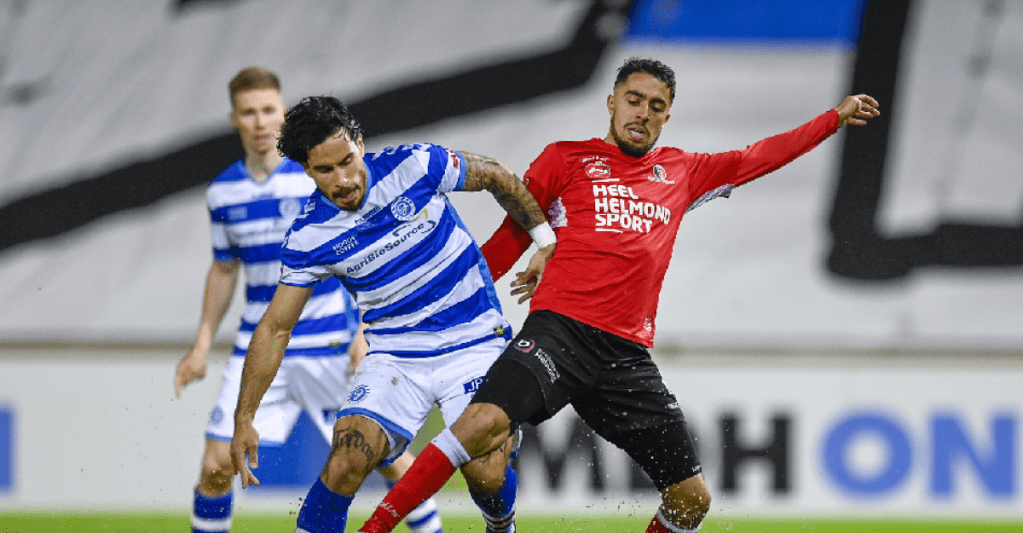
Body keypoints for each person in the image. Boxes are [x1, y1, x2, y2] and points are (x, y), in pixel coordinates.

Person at [355, 57, 882, 533]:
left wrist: (832, 119)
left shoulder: (683, 170)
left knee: (691, 499)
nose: (642, 113)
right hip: (559, 333)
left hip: (625, 356)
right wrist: (448, 306)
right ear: (612, 102)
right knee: (480, 425)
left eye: (656, 106)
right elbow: (510, 239)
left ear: (667, 116)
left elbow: (758, 156)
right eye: (634, 100)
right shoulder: (564, 159)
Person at [227, 95, 557, 533]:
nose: (343, 180)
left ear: (360, 143)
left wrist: (546, 241)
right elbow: (275, 327)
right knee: (345, 462)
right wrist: (244, 417)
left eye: (347, 160)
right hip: (396, 356)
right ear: (306, 170)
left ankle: (501, 526)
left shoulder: (415, 165)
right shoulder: (309, 236)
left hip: (474, 339)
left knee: (486, 474)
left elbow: (495, 174)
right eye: (325, 170)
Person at [174, 68, 443, 533]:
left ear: (282, 114)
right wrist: (201, 346)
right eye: (249, 112)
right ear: (234, 119)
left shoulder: (316, 178)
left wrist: (364, 331)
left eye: (268, 110)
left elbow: (366, 253)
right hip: (260, 346)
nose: (260, 122)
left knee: (386, 458)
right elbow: (224, 269)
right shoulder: (222, 193)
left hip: (330, 343)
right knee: (216, 464)